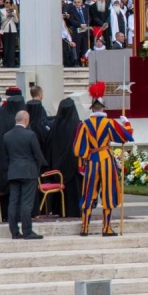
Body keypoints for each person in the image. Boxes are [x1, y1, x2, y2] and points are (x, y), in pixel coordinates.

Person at [74, 83, 134, 236]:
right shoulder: (109, 123)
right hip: (106, 159)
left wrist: (82, 165)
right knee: (108, 192)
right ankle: (106, 227)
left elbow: (79, 148)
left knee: (88, 193)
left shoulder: (84, 125)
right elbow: (125, 137)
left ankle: (84, 227)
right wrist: (126, 123)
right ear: (103, 108)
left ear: (92, 109)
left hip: (92, 160)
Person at [4, 111, 46, 240]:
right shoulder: (30, 135)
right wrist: (38, 168)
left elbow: (5, 155)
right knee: (26, 203)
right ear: (26, 120)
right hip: (28, 172)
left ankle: (14, 232)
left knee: (13, 202)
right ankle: (27, 231)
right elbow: (38, 155)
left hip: (13, 171)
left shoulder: (7, 136)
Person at [47, 97, 82, 217]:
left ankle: (59, 210)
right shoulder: (78, 125)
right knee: (74, 189)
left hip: (58, 164)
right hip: (74, 164)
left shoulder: (55, 125)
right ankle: (75, 210)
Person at [0, 0, 18, 68]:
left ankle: (12, 63)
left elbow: (16, 21)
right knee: (6, 47)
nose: (8, 4)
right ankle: (6, 63)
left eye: (10, 2)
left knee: (12, 47)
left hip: (13, 30)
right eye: (6, 2)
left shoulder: (13, 10)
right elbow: (1, 21)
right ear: (4, 3)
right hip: (5, 30)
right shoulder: (1, 10)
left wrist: (14, 15)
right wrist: (7, 16)